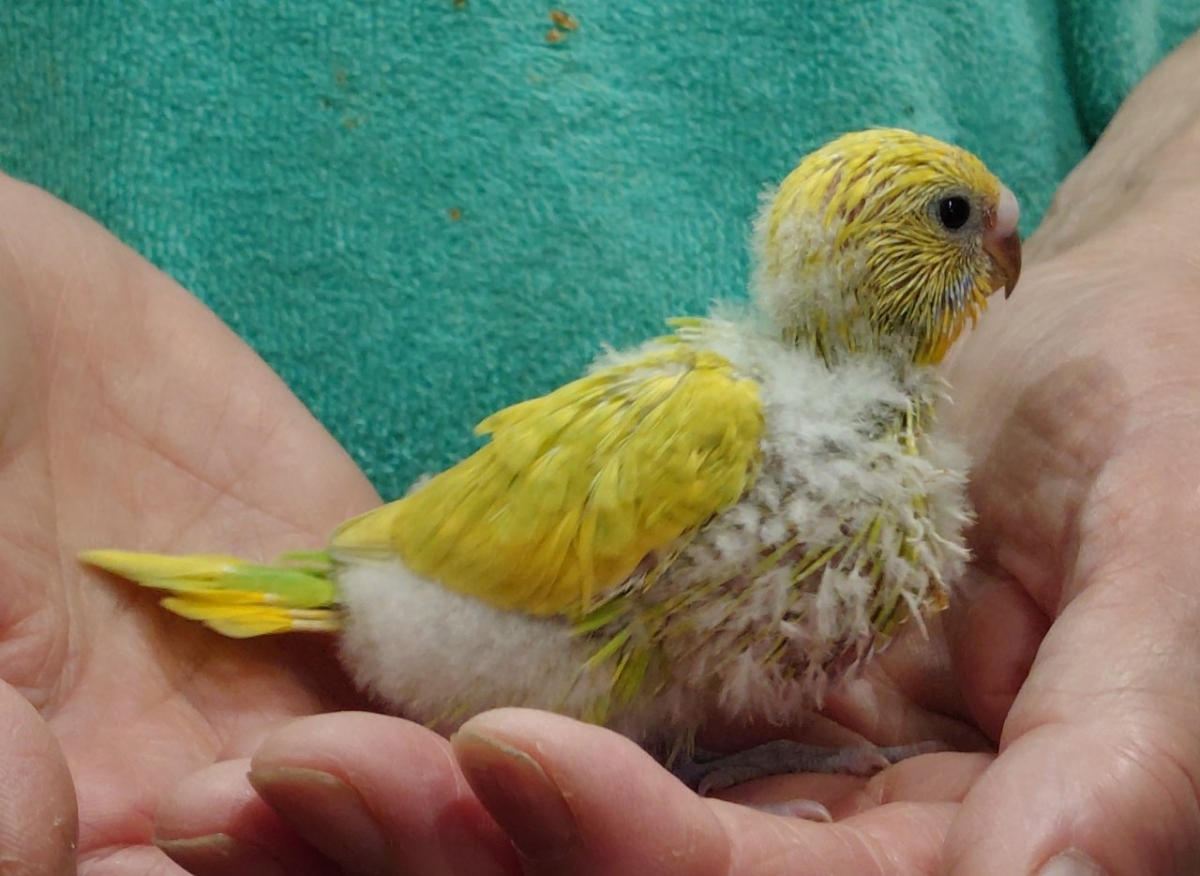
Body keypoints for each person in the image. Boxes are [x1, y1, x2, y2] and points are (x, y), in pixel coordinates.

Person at [2, 17, 1200, 876]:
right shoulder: (720, 421)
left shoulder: (875, 429)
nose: (999, 236)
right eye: (955, 219)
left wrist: (1157, 229)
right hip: (436, 592)